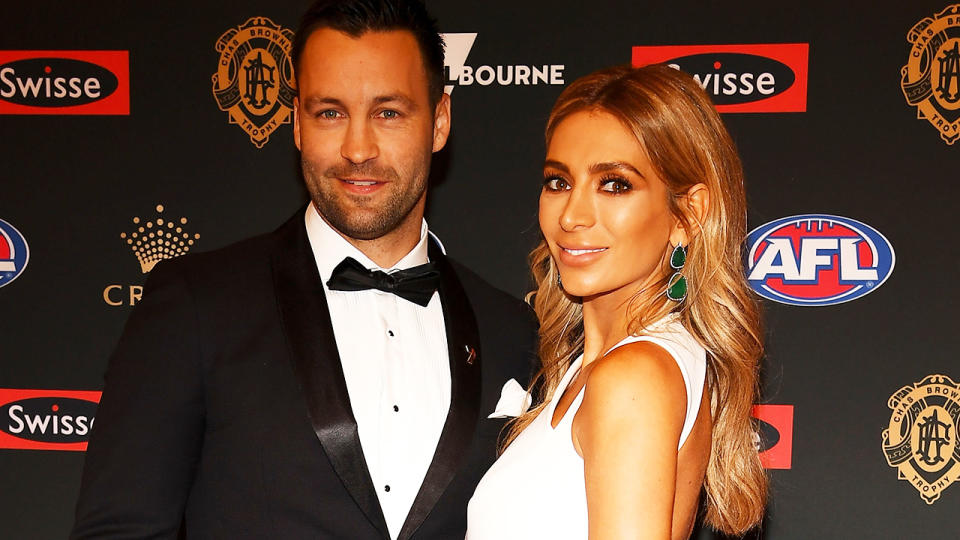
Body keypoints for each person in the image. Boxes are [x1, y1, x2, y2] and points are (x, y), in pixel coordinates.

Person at [70, 1, 537, 539]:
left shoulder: (512, 332)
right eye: (329, 112)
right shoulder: (195, 307)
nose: (358, 149)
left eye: (388, 112)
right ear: (296, 122)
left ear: (439, 122)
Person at [466, 64, 767, 539]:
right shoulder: (611, 367)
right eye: (558, 182)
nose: (572, 215)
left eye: (615, 184)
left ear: (688, 215)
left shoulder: (633, 376)